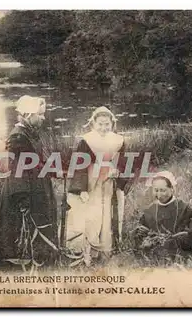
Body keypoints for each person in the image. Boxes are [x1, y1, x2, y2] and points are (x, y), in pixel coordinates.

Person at [0, 95, 58, 270]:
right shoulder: (18, 137)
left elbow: (35, 161)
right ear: (28, 115)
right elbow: (17, 170)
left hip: (36, 186)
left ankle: (41, 260)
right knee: (20, 230)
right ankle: (21, 266)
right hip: (24, 191)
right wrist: (22, 199)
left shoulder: (29, 132)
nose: (43, 118)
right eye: (40, 115)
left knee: (40, 226)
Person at [64, 106, 130, 266]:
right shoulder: (86, 141)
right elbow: (79, 165)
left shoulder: (118, 140)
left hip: (109, 183)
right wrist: (82, 189)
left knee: (109, 214)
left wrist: (118, 172)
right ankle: (88, 252)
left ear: (112, 124)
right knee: (92, 215)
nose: (103, 128)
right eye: (100, 124)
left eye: (106, 124)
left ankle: (107, 250)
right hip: (92, 183)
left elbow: (123, 162)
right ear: (93, 123)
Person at [133, 171, 192, 259]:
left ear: (172, 189)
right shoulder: (150, 210)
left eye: (163, 190)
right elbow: (140, 233)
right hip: (155, 256)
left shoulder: (185, 208)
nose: (159, 195)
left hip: (180, 254)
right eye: (156, 190)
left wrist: (186, 235)